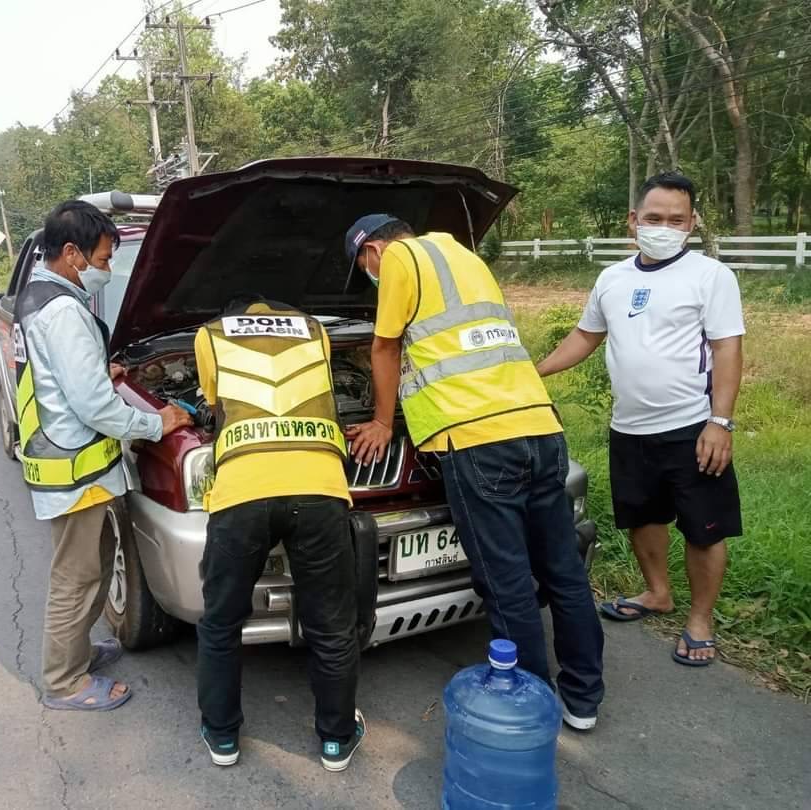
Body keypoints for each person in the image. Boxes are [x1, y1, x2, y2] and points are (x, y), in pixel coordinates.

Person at [344, 214, 604, 729]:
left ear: (371, 250)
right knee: (562, 569)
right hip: (539, 427)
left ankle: (528, 703)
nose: (369, 275)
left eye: (363, 267)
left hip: (478, 439)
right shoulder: (462, 255)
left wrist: (382, 421)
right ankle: (584, 699)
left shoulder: (399, 257)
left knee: (507, 581)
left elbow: (385, 345)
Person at [538, 172, 744, 667]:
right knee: (642, 517)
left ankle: (700, 621)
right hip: (629, 427)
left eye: (676, 219)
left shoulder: (711, 276)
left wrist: (720, 422)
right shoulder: (613, 279)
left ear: (692, 223)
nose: (664, 227)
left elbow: (727, 348)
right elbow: (586, 336)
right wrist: (532, 372)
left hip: (692, 427)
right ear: (633, 220)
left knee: (703, 528)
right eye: (654, 218)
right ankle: (657, 593)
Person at [14, 200, 191, 711]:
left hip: (65, 458)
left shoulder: (39, 296)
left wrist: (95, 368)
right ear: (72, 253)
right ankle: (64, 681)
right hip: (75, 468)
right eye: (104, 259)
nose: (107, 269)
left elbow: (61, 376)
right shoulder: (64, 311)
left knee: (91, 567)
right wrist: (156, 423)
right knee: (75, 578)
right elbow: (94, 406)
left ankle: (78, 653)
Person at [194, 296, 364, 771]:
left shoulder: (211, 335)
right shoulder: (316, 331)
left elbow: (214, 403)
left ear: (234, 315)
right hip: (320, 488)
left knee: (221, 622)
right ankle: (336, 740)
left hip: (243, 493)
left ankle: (222, 737)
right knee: (331, 624)